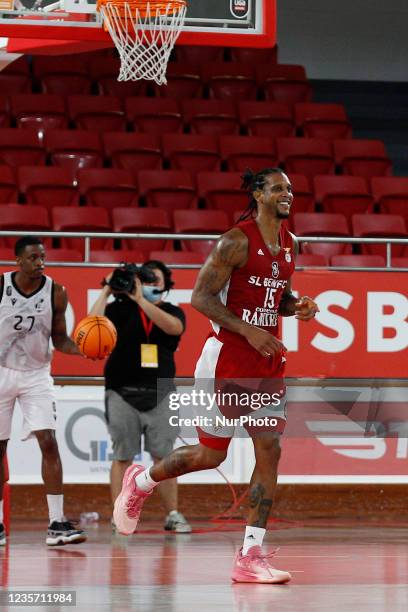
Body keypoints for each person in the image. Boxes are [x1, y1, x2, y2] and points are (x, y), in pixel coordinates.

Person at [113, 168, 320, 583]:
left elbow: (275, 297)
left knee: (270, 450)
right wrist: (248, 329)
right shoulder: (235, 240)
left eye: (291, 189)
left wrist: (296, 306)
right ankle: (142, 481)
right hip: (226, 360)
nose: (287, 195)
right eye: (278, 188)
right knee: (212, 456)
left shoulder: (290, 244)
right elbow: (201, 297)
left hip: (266, 361)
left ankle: (250, 554)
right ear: (258, 194)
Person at [89, 260, 191, 533]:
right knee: (123, 455)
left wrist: (140, 301)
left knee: (164, 457)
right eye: (146, 279)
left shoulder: (172, 310)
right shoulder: (117, 310)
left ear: (166, 284)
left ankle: (173, 513)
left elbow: (174, 329)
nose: (151, 284)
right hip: (121, 391)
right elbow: (92, 323)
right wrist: (106, 290)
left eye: (156, 279)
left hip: (160, 392)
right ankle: (118, 516)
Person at [0, 236, 87, 546]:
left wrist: (81, 350)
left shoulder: (56, 292)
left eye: (43, 257)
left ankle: (56, 523)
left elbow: (60, 338)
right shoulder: (1, 286)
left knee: (48, 441)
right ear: (18, 261)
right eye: (34, 257)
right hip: (2, 372)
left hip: (37, 374)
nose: (40, 262)